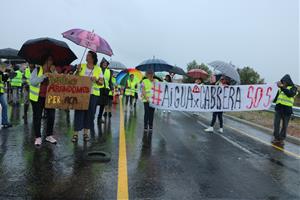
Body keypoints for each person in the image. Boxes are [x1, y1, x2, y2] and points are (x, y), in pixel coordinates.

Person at [72, 51, 102, 142]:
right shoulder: (82, 66)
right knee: (79, 112)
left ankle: (86, 134)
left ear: (92, 58)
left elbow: (101, 82)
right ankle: (75, 134)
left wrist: (96, 80)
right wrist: (77, 70)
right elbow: (75, 78)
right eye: (87, 55)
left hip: (93, 95)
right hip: (81, 94)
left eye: (88, 55)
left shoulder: (98, 69)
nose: (86, 56)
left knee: (90, 114)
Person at [30, 55, 57, 146]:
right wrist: (43, 76)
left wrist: (54, 73)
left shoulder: (53, 71)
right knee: (37, 117)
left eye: (52, 61)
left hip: (50, 97)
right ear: (45, 61)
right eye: (50, 60)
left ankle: (49, 135)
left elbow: (59, 82)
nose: (51, 63)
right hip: (37, 98)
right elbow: (32, 82)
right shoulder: (37, 70)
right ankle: (38, 137)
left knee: (51, 116)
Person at [272, 74, 298, 146]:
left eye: (285, 81)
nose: (284, 83)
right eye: (283, 81)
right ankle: (276, 138)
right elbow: (275, 98)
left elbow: (290, 94)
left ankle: (281, 139)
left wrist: (282, 87)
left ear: (288, 81)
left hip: (287, 110)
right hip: (279, 109)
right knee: (276, 124)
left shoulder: (293, 88)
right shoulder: (280, 88)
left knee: (284, 126)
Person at [97, 58, 113, 123]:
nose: (105, 64)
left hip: (106, 89)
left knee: (103, 104)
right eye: (104, 63)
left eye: (106, 63)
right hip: (98, 88)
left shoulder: (109, 71)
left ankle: (99, 118)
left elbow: (109, 81)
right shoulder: (98, 70)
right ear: (101, 64)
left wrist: (111, 87)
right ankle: (91, 117)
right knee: (95, 104)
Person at [0, 64, 12, 128]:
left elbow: (4, 80)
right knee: (4, 106)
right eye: (3, 68)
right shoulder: (1, 73)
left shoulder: (2, 73)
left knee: (5, 106)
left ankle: (5, 122)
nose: (4, 69)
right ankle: (5, 122)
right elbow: (4, 79)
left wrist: (7, 73)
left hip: (1, 93)